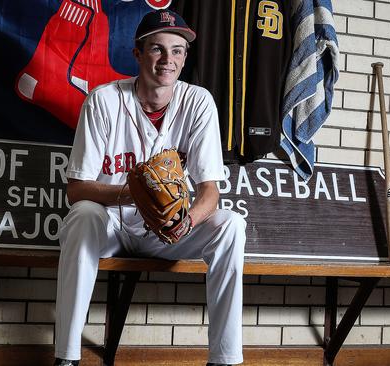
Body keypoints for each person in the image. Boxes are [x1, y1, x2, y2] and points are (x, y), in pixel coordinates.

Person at [54, 9, 246, 366]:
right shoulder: (104, 99)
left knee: (231, 224)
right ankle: (67, 357)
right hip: (112, 224)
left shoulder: (198, 102)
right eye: (157, 49)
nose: (167, 60)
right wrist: (130, 193)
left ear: (185, 58)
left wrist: (186, 222)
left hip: (167, 231)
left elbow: (210, 192)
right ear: (138, 54)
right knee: (82, 216)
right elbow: (77, 189)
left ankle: (225, 359)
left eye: (176, 51)